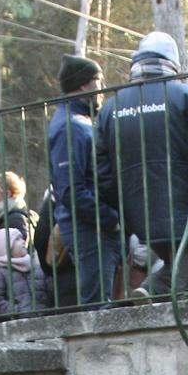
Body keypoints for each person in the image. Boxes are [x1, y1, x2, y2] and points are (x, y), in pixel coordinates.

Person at [97, 31, 188, 297]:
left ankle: (147, 293)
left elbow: (102, 174)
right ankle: (151, 293)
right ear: (173, 64)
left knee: (180, 268)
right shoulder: (187, 98)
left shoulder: (110, 109)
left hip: (142, 218)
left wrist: (125, 209)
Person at [48, 54, 123, 309]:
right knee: (96, 306)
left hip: (93, 227)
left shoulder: (78, 123)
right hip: (90, 229)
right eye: (98, 81)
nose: (102, 88)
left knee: (101, 301)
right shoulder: (70, 127)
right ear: (84, 84)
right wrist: (109, 219)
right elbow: (71, 189)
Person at [0, 171, 45, 316]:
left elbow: (17, 252)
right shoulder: (3, 217)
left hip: (17, 295)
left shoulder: (15, 219)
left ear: (8, 194)